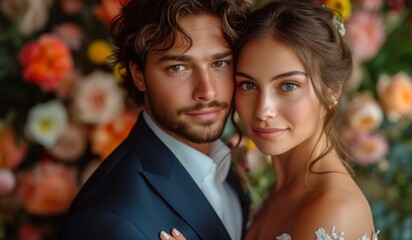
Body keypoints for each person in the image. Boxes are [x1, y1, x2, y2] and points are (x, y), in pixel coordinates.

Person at [160, 0, 379, 239]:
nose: (263, 111)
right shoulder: (277, 189)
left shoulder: (336, 210)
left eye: (288, 85)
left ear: (333, 90)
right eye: (248, 85)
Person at [57, 0, 251, 239]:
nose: (207, 91)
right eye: (179, 67)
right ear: (139, 75)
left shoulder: (229, 170)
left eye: (219, 63)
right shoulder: (108, 217)